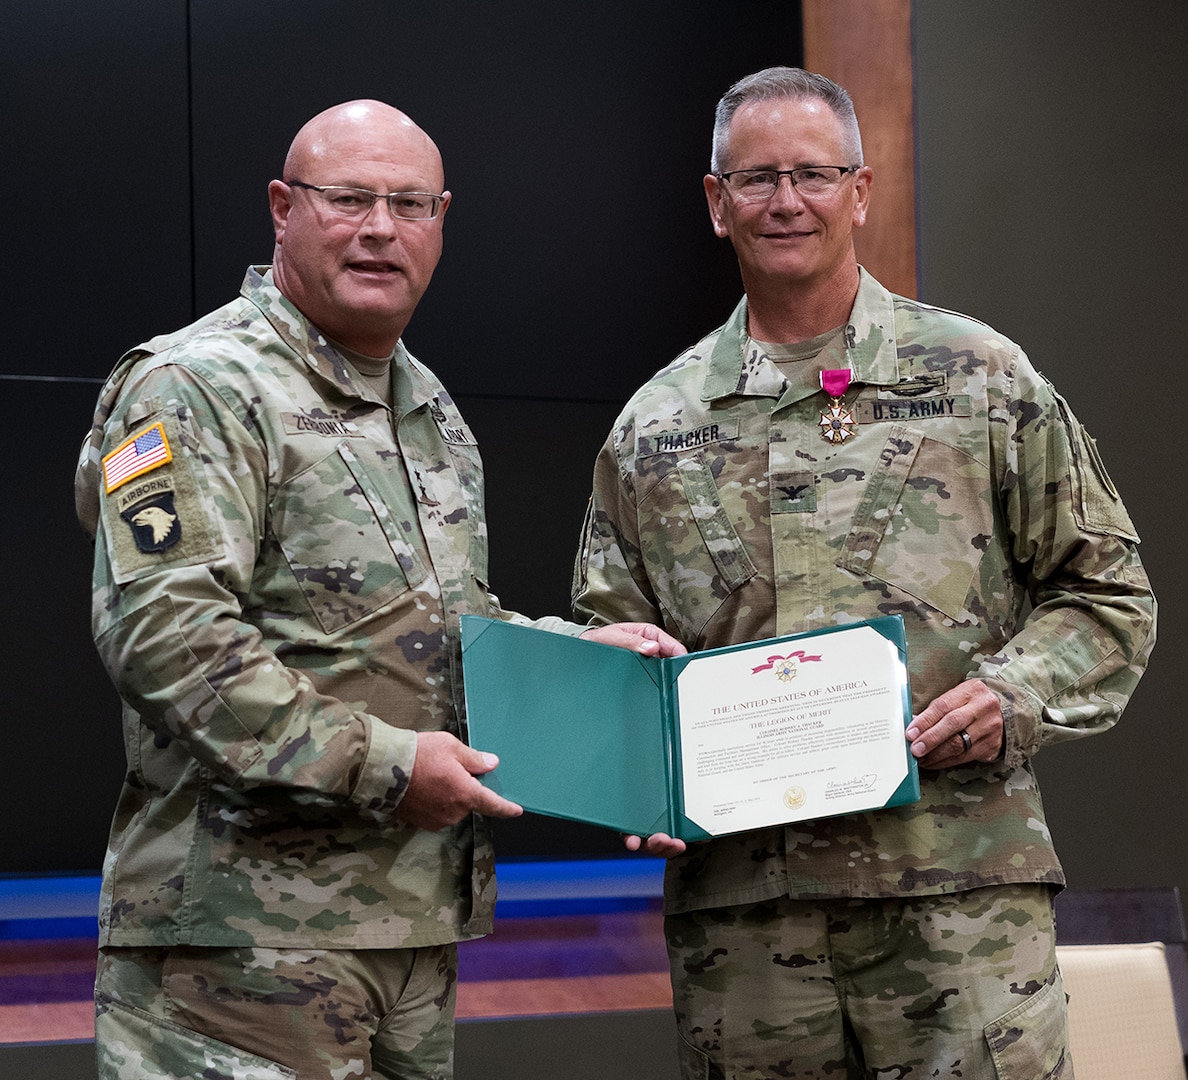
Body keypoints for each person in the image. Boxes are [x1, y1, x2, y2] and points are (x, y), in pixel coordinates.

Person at [74, 99, 682, 1080]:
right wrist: (388, 765)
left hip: (406, 932)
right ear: (282, 208)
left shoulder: (425, 405)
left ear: (443, 221)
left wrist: (576, 666)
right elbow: (167, 637)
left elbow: (435, 631)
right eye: (349, 198)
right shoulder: (191, 387)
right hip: (241, 948)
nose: (379, 228)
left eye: (409, 204)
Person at [571, 67, 1156, 1079]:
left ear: (861, 190)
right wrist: (630, 755)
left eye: (812, 173)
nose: (785, 201)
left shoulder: (979, 378)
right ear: (717, 203)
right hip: (748, 925)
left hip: (958, 901)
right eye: (756, 179)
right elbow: (611, 645)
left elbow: (1108, 597)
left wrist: (1012, 694)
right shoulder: (651, 426)